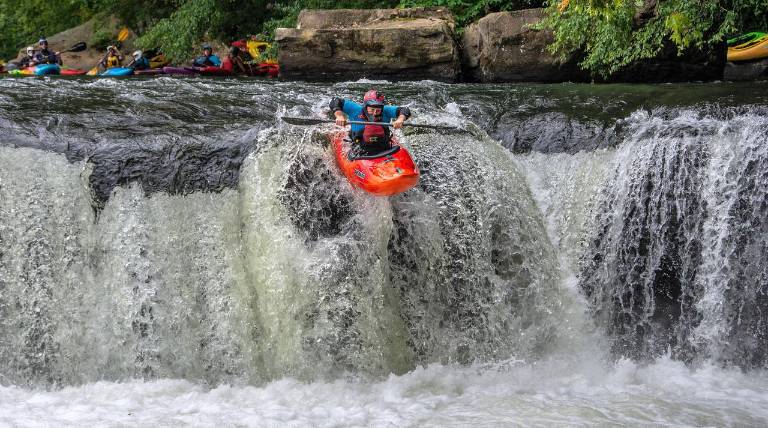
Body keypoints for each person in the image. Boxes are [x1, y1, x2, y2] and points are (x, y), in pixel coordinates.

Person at [330, 90, 411, 154]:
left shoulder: (386, 110)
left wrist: (400, 119)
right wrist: (339, 116)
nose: (375, 113)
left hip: (383, 146)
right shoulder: (355, 110)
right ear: (365, 106)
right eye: (372, 109)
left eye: (378, 110)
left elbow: (405, 109)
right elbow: (334, 101)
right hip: (358, 146)